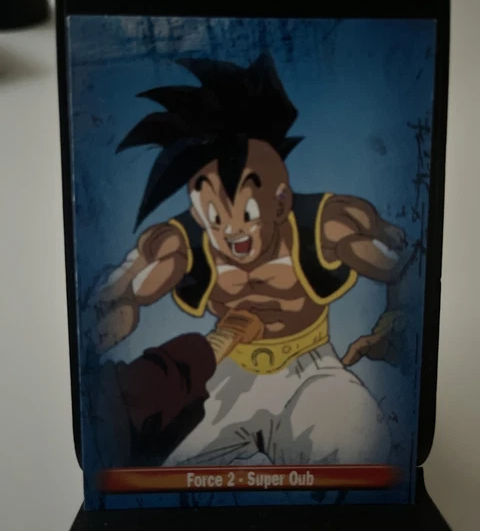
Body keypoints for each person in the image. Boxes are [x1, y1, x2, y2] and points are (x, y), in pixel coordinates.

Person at [94, 53, 409, 467]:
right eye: (214, 216)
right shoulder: (182, 243)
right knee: (152, 469)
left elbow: (402, 262)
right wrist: (110, 312)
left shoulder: (327, 226)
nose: (231, 231)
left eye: (245, 212)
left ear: (280, 201)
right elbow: (129, 287)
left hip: (311, 373)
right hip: (225, 377)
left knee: (359, 449)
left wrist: (394, 321)